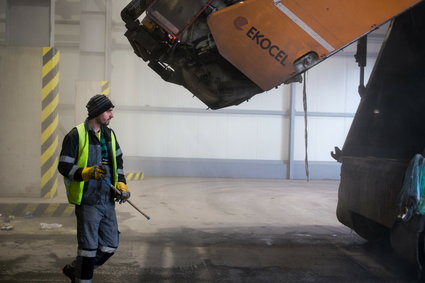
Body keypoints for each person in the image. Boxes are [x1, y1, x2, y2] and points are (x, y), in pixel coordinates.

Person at [58, 94, 130, 282]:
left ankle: (75, 270)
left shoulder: (110, 135)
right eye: (108, 111)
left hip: (107, 200)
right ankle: (82, 278)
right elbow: (63, 167)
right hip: (88, 201)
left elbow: (118, 161)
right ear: (97, 112)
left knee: (110, 245)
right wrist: (86, 173)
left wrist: (121, 182)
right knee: (88, 249)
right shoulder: (76, 134)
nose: (111, 115)